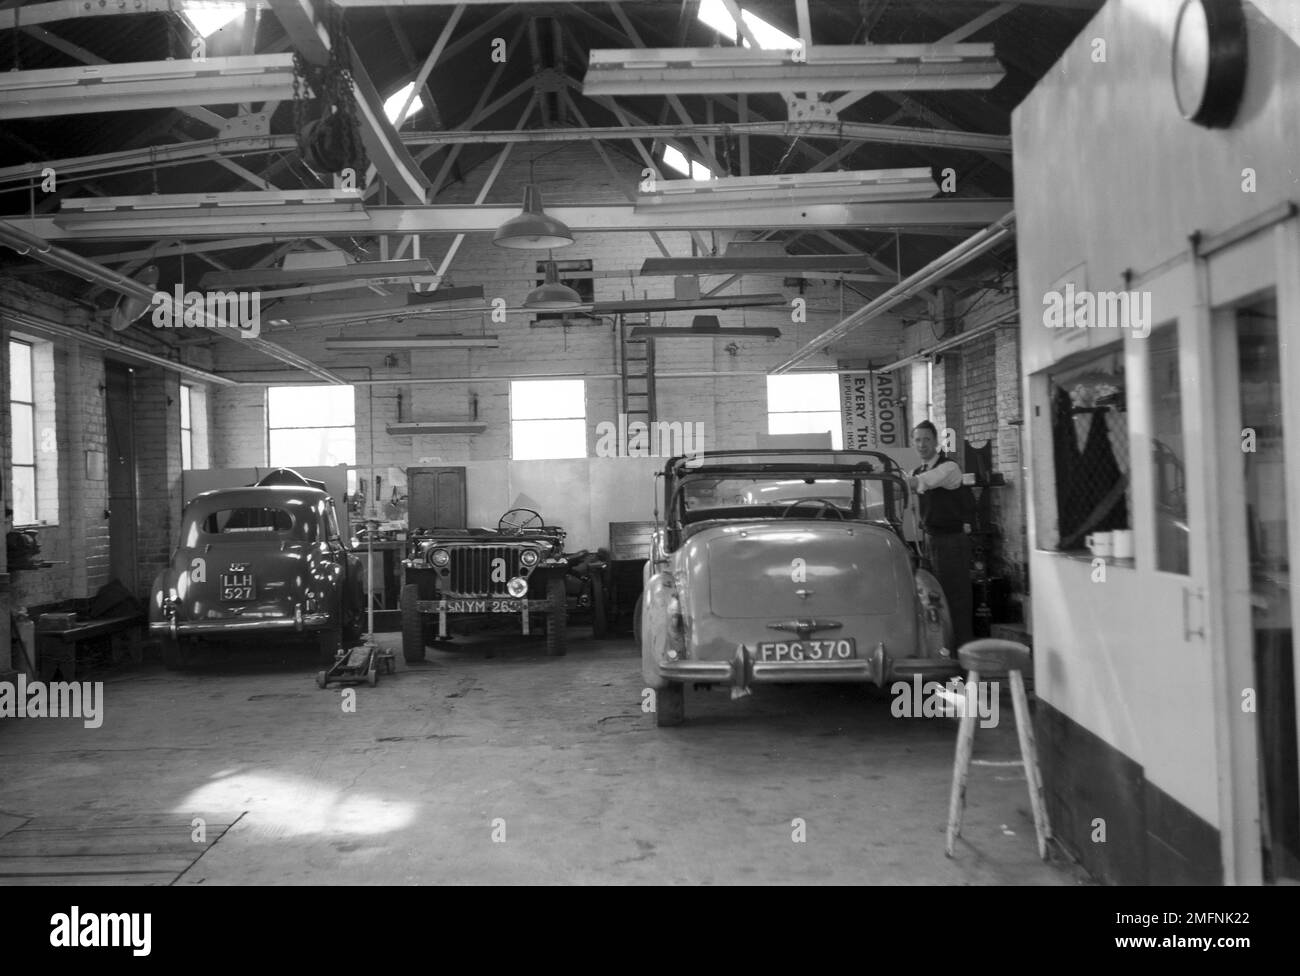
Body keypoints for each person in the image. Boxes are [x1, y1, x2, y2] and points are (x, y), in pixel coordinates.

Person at [907, 421, 974, 653]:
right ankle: (941, 654)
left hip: (951, 542)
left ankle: (965, 661)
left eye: (926, 439)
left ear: (936, 442)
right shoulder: (917, 472)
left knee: (956, 600)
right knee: (932, 599)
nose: (922, 444)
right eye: (917, 440)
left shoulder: (949, 468)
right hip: (930, 541)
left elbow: (924, 482)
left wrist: (895, 481)